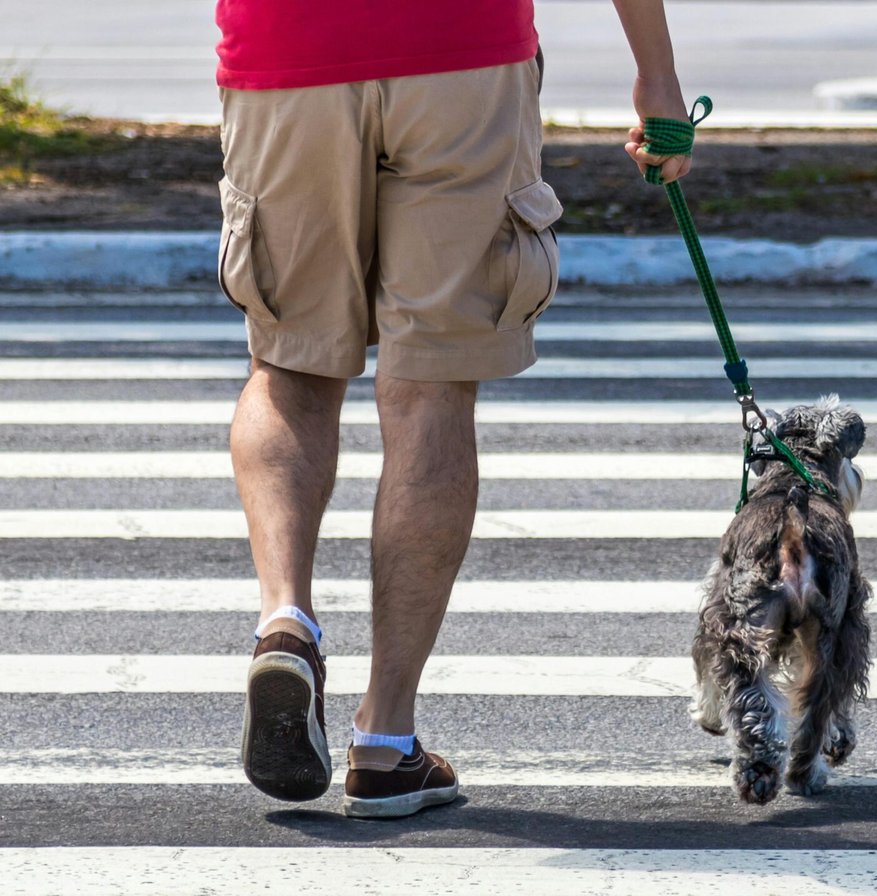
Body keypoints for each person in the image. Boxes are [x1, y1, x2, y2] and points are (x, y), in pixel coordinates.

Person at [218, 0, 693, 818]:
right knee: (431, 386)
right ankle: (386, 741)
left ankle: (285, 623)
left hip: (284, 50)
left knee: (289, 364)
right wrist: (657, 74)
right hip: (460, 55)